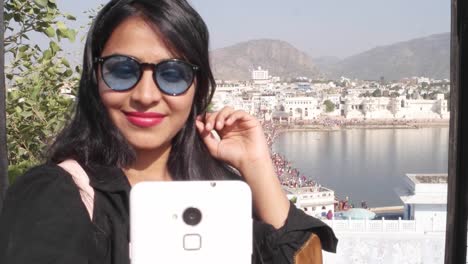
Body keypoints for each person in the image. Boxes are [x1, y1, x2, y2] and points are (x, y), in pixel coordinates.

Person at [0, 0, 337, 263]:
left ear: (197, 88)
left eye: (172, 75)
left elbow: (300, 257)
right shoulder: (58, 197)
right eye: (121, 71)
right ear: (95, 78)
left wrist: (256, 165)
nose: (145, 96)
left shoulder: (223, 195)